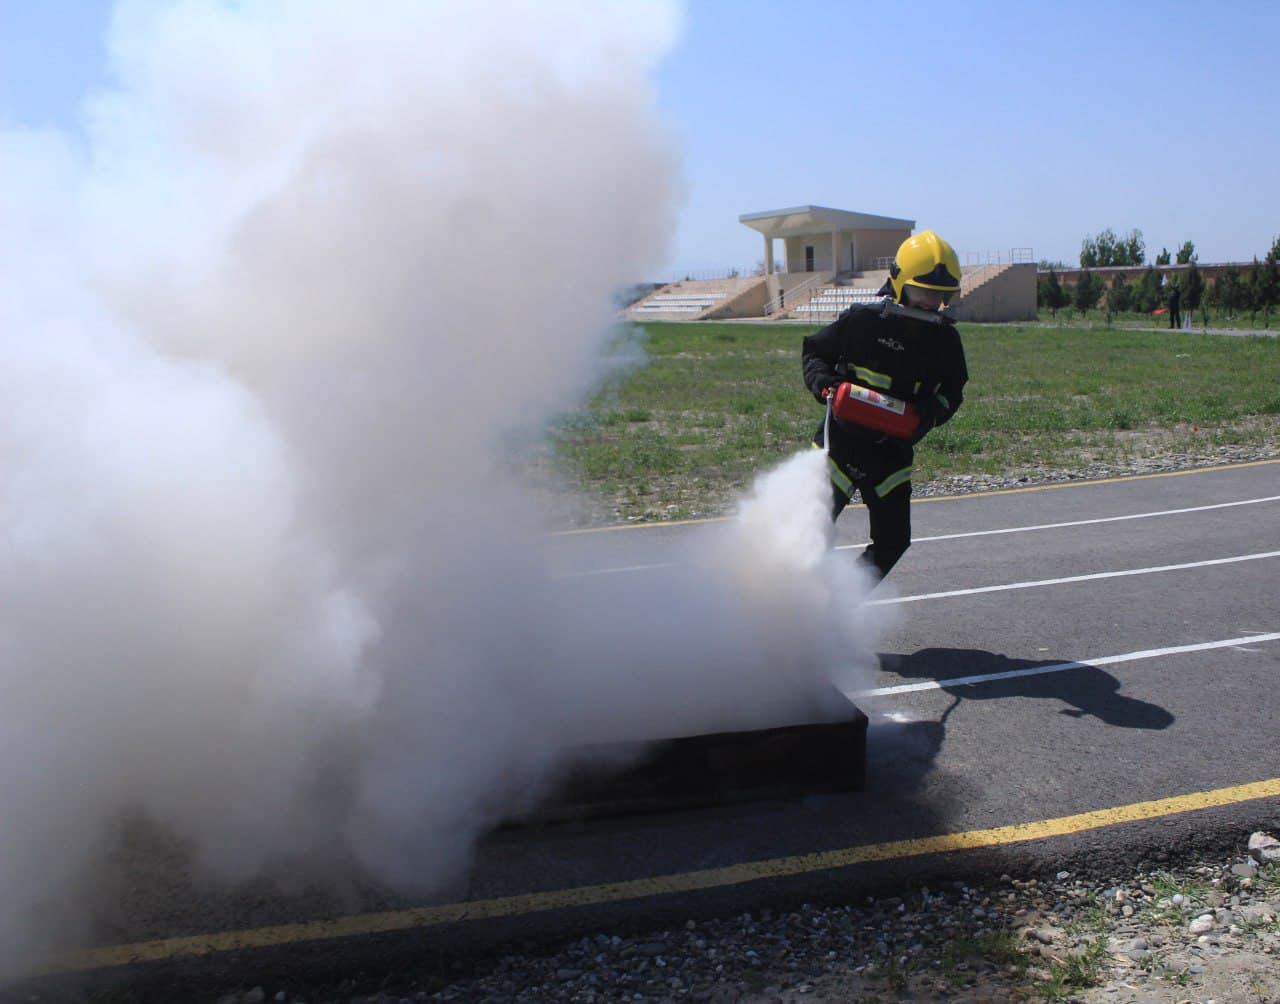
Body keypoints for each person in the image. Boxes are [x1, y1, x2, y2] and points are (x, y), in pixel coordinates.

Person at [801, 230, 968, 580]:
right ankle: (783, 610)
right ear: (899, 283)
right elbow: (815, 352)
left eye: (939, 296)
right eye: (922, 291)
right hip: (838, 447)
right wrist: (825, 385)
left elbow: (953, 391)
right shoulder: (860, 321)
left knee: (893, 541)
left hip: (891, 457)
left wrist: (931, 412)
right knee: (806, 535)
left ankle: (840, 609)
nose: (929, 302)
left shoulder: (946, 341)